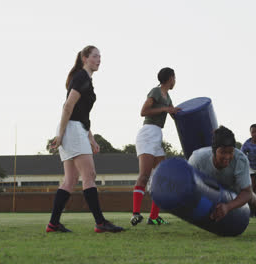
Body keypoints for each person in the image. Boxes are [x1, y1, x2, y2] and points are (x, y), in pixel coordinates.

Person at [47, 45, 123, 233]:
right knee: (89, 176)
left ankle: (53, 224)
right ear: (84, 58)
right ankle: (100, 223)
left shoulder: (85, 80)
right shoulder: (81, 77)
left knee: (70, 180)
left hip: (75, 129)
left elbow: (82, 115)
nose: (99, 60)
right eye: (95, 56)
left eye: (100, 57)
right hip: (70, 129)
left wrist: (91, 138)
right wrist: (61, 135)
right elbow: (68, 107)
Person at [188, 126, 256, 233]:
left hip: (232, 185)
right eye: (223, 152)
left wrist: (227, 207)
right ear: (214, 151)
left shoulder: (241, 159)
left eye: (230, 152)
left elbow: (246, 193)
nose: (227, 156)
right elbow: (190, 185)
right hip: (208, 187)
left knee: (252, 197)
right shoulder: (197, 159)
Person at [131, 67, 181, 226]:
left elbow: (174, 114)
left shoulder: (168, 97)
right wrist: (165, 109)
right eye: (175, 78)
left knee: (161, 177)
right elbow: (143, 111)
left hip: (157, 135)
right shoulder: (156, 91)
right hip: (147, 134)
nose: (175, 81)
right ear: (170, 78)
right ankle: (136, 214)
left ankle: (153, 217)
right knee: (144, 175)